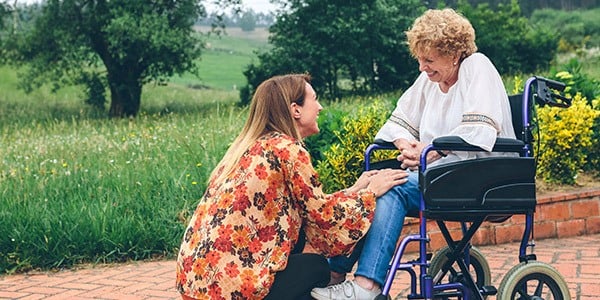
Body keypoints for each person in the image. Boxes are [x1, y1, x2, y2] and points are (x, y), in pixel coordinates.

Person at [311, 8, 516, 300]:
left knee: (390, 189)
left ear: (454, 54)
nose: (422, 67)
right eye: (419, 58)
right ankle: (334, 274)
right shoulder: (429, 80)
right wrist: (405, 143)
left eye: (429, 59)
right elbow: (400, 120)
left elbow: (480, 130)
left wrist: (431, 152)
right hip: (441, 175)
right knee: (376, 181)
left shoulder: (477, 67)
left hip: (480, 177)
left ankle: (366, 286)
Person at [175, 74, 408, 300]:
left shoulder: (248, 148)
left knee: (298, 255)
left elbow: (308, 205)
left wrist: (355, 190)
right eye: (314, 99)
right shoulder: (288, 150)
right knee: (316, 268)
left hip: (196, 283)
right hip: (233, 290)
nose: (320, 107)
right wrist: (371, 193)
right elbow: (323, 217)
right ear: (295, 110)